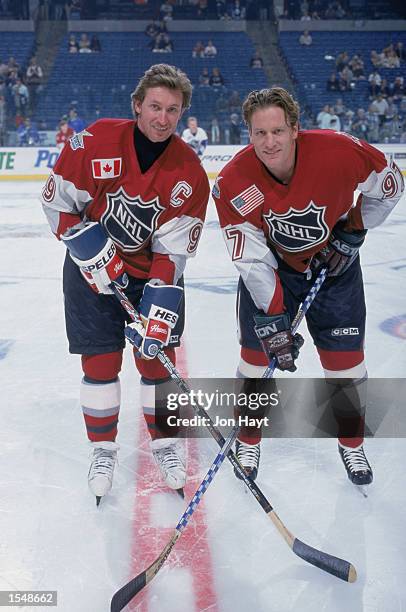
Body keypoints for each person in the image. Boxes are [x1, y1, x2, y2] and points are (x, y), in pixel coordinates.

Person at [212, 87, 404, 486]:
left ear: (295, 128)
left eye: (278, 131)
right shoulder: (233, 181)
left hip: (333, 268)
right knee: (254, 363)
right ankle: (249, 439)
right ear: (248, 133)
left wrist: (353, 229)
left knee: (347, 367)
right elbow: (251, 257)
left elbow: (389, 183)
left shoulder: (339, 153)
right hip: (273, 270)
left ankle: (351, 444)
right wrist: (274, 316)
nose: (270, 142)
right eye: (259, 133)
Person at [40, 64, 210, 505]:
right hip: (88, 272)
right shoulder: (95, 141)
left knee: (157, 361)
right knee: (99, 365)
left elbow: (172, 252)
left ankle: (165, 443)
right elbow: (57, 203)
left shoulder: (189, 170)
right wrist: (85, 244)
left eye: (173, 110)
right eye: (155, 106)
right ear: (137, 106)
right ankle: (103, 450)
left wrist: (156, 304)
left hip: (150, 275)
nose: (163, 117)